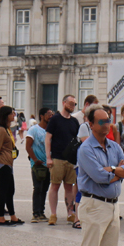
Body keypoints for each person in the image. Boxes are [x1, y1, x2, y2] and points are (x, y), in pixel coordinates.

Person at [76, 105, 124, 246]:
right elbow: (100, 177)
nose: (107, 124)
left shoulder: (114, 146)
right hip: (95, 205)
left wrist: (112, 170)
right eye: (102, 122)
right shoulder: (86, 149)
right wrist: (118, 171)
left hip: (113, 206)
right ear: (91, 124)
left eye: (108, 120)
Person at [45, 94, 78, 225]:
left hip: (71, 159)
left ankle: (70, 213)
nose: (72, 106)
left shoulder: (74, 121)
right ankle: (53, 214)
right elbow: (48, 138)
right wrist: (48, 157)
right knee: (55, 185)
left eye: (74, 104)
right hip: (57, 158)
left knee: (69, 187)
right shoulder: (55, 119)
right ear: (64, 103)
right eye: (70, 103)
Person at [0, 106, 23, 225]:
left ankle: (13, 216)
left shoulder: (7, 129)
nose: (14, 116)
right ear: (6, 115)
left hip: (8, 163)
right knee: (2, 190)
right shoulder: (1, 130)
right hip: (2, 163)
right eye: (12, 114)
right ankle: (1, 217)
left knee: (10, 190)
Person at [25, 108, 52, 222]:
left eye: (52, 114)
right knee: (37, 188)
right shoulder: (34, 130)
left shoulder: (51, 131)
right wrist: (35, 159)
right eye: (49, 114)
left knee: (45, 189)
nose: (51, 116)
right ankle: (35, 213)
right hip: (38, 164)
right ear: (42, 115)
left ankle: (41, 211)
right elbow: (28, 146)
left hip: (48, 164)